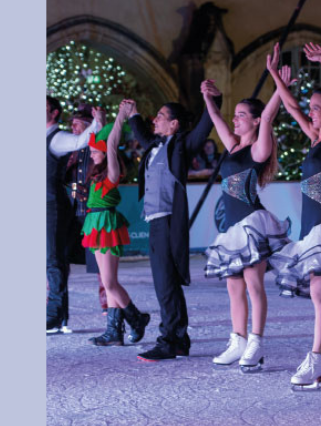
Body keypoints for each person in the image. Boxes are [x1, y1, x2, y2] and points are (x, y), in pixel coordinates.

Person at [265, 43, 321, 388]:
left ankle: (315, 358)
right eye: (311, 109)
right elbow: (289, 105)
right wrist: (275, 74)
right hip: (312, 229)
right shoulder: (315, 138)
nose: (312, 112)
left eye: (317, 108)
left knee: (320, 295)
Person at [200, 65, 292, 372]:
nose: (235, 119)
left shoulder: (257, 149)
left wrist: (280, 85)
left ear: (254, 121)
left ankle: (256, 342)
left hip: (252, 224)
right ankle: (237, 340)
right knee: (233, 287)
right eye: (235, 114)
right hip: (232, 230)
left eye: (241, 115)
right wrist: (208, 99)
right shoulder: (233, 147)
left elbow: (267, 116)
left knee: (254, 285)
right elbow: (215, 119)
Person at [124, 91, 221, 362]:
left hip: (168, 220)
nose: (155, 119)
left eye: (161, 116)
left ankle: (169, 339)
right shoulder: (154, 145)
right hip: (154, 221)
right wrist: (133, 113)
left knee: (166, 282)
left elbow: (204, 128)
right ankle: (179, 339)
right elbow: (143, 134)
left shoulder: (181, 144)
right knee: (164, 283)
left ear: (175, 124)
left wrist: (213, 100)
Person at [82, 109, 151, 347]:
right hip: (96, 224)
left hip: (107, 225)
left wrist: (120, 118)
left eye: (94, 151)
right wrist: (99, 121)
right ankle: (113, 331)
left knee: (110, 282)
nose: (91, 154)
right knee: (106, 279)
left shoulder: (112, 173)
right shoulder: (96, 175)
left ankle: (137, 318)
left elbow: (110, 145)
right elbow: (103, 141)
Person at [46, 96, 103, 334]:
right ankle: (58, 315)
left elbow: (82, 140)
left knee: (54, 260)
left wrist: (97, 122)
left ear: (54, 113)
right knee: (50, 260)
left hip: (51, 204)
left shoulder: (56, 138)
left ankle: (55, 315)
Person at [64, 108, 109, 315]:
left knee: (100, 263)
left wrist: (100, 121)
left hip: (92, 212)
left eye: (76, 124)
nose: (72, 128)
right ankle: (55, 307)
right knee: (59, 260)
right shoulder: (70, 150)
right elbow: (64, 177)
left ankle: (108, 305)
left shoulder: (96, 147)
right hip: (72, 214)